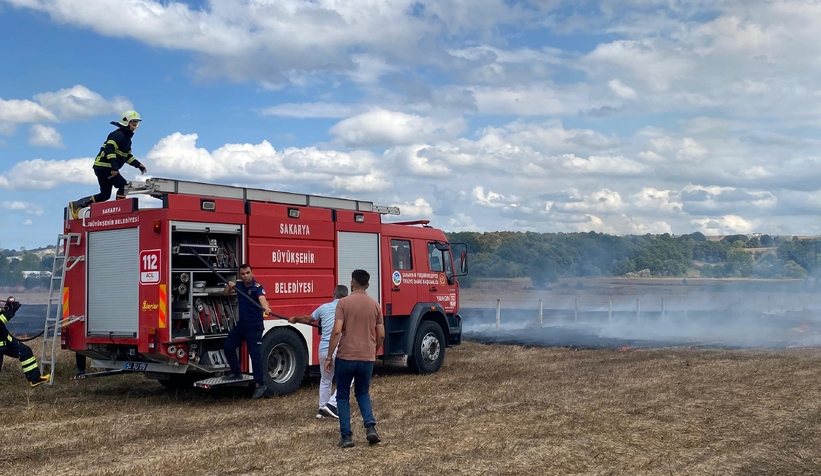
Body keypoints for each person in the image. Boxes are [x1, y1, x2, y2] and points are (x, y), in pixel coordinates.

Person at [325, 270, 385, 448]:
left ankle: (346, 436)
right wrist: (373, 351)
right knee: (362, 393)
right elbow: (381, 335)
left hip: (346, 356)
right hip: (366, 357)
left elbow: (336, 331)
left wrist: (329, 356)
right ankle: (370, 427)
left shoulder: (343, 303)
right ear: (367, 285)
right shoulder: (375, 305)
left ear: (352, 283)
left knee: (343, 396)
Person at [68, 110, 147, 219]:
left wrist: (138, 165)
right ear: (126, 121)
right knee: (123, 185)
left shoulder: (127, 139)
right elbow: (109, 150)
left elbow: (126, 156)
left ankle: (78, 204)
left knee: (105, 195)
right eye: (133, 122)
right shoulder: (117, 135)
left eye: (137, 122)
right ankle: (120, 210)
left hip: (102, 167)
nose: (135, 125)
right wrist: (114, 167)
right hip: (105, 167)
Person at [290, 285, 349, 419]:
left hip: (324, 349)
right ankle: (331, 404)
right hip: (340, 348)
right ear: (346, 297)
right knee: (348, 379)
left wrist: (295, 319)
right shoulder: (347, 308)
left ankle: (322, 409)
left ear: (334, 294)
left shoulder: (323, 307)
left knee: (325, 380)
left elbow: (308, 319)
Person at [223, 264, 272, 399]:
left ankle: (260, 384)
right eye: (243, 274)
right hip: (242, 326)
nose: (245, 276)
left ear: (252, 273)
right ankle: (236, 372)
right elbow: (225, 294)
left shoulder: (257, 287)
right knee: (228, 346)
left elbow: (263, 300)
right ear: (240, 275)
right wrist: (230, 286)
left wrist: (266, 308)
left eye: (247, 273)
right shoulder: (238, 286)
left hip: (254, 327)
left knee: (255, 355)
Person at [0, 297, 50, 387]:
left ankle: (35, 379)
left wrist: (9, 308)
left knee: (25, 351)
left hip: (5, 342)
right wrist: (11, 311)